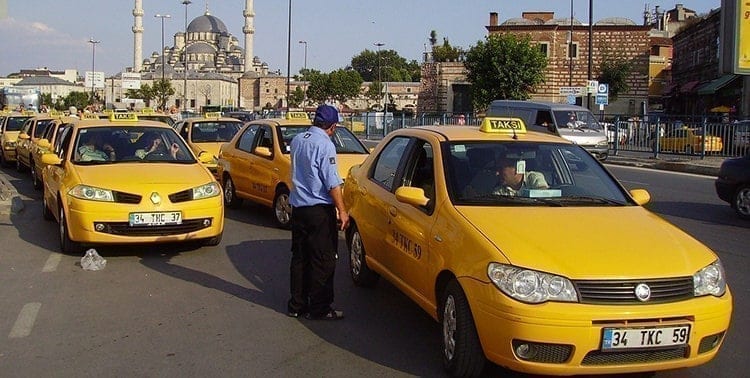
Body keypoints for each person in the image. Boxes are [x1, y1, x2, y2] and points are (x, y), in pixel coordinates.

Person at [287, 104, 349, 321]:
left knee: (300, 258)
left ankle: (297, 305)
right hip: (319, 210)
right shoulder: (325, 145)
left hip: (299, 208)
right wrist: (342, 211)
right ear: (332, 127)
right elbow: (332, 182)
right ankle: (320, 308)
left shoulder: (298, 140)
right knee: (323, 259)